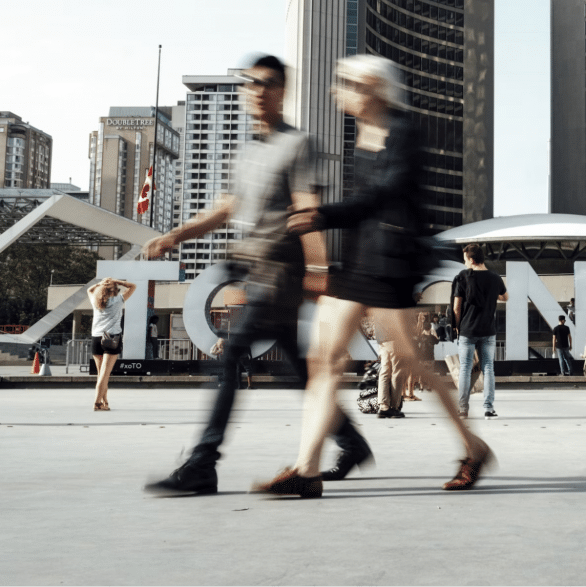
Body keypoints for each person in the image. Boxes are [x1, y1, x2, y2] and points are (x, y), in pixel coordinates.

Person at [254, 55, 492, 497]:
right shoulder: (362, 135)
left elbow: (385, 194)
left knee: (414, 363)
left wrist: (322, 215)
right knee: (323, 359)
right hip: (358, 262)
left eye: (348, 83)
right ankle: (306, 469)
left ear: (374, 89)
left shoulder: (403, 131)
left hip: (390, 266)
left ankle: (474, 448)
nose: (338, 90)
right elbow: (365, 205)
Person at [144, 54, 371, 496]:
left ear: (282, 91)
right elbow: (227, 208)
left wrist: (319, 269)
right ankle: (352, 442)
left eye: (267, 83)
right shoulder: (248, 151)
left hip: (282, 271)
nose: (257, 90)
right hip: (255, 270)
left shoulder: (298, 144)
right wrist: (176, 235)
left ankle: (203, 462)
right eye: (250, 83)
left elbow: (307, 207)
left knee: (231, 355)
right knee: (296, 370)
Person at [453, 243, 508, 419]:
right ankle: (489, 408)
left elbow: (456, 307)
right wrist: (491, 295)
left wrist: (457, 326)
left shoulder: (463, 277)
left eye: (465, 260)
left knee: (465, 369)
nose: (464, 263)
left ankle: (463, 409)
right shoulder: (495, 278)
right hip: (488, 330)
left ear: (471, 259)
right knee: (488, 368)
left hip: (467, 330)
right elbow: (505, 297)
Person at [86, 277, 136, 411]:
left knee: (101, 374)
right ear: (114, 289)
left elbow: (89, 290)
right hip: (111, 338)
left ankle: (105, 402)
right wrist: (118, 281)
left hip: (96, 338)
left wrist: (101, 283)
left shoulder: (95, 300)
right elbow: (133, 286)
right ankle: (97, 403)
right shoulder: (118, 300)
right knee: (105, 374)